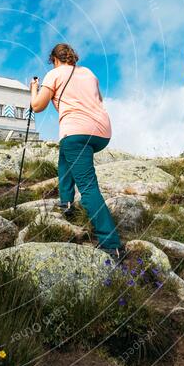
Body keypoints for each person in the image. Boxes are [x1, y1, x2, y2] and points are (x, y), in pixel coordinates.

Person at [30, 43, 124, 261]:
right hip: (101, 132)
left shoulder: (53, 75)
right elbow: (98, 99)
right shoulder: (89, 73)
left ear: (54, 59)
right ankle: (66, 202)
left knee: (89, 187)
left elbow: (37, 106)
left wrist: (34, 88)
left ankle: (111, 244)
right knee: (66, 154)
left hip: (76, 132)